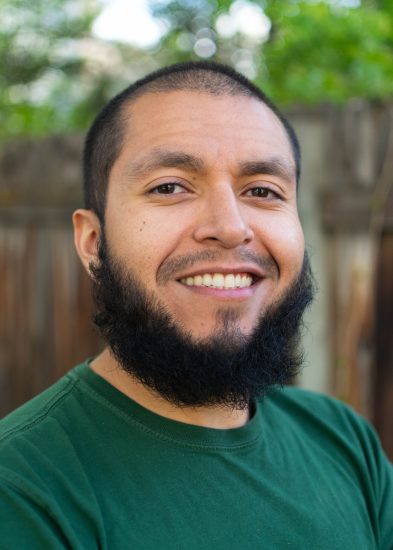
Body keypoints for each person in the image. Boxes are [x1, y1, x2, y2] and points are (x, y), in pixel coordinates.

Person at [0, 61, 392, 549]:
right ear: (93, 241)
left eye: (263, 191)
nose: (230, 226)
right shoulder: (23, 489)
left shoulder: (344, 442)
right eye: (169, 187)